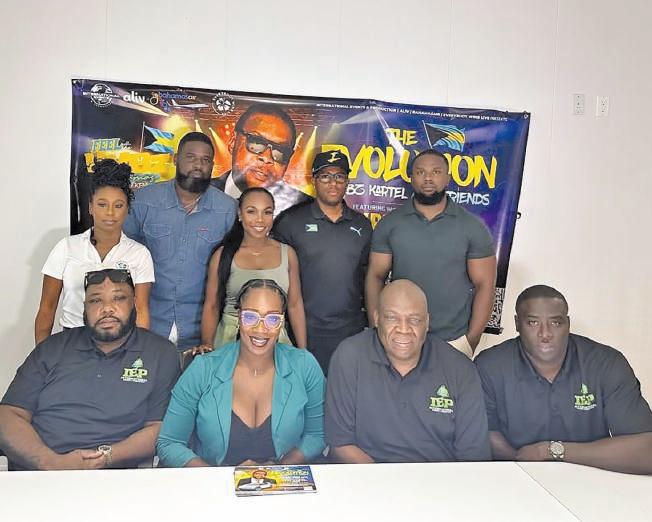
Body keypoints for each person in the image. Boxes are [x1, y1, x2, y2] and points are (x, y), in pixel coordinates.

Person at [0, 269, 180, 470]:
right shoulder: (52, 348)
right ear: (84, 308)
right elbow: (8, 414)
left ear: (134, 304)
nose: (107, 308)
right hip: (38, 470)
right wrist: (51, 462)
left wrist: (103, 458)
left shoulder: (159, 353)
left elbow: (159, 429)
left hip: (112, 475)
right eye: (95, 300)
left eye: (119, 298)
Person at [475, 284, 652, 475]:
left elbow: (646, 451)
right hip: (515, 478)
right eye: (533, 322)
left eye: (555, 323)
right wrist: (525, 465)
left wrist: (552, 451)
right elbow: (483, 433)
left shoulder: (605, 363)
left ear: (568, 323)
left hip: (593, 477)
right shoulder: (490, 365)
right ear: (517, 324)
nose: (545, 334)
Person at [156, 279, 325, 467]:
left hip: (283, 481)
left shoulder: (304, 366)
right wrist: (218, 477)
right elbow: (169, 443)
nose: (260, 329)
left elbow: (317, 435)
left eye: (272, 319)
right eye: (250, 317)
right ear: (238, 316)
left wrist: (278, 469)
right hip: (214, 482)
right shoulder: (203, 369)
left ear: (282, 322)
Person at [325, 279, 491, 464]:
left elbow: (473, 456)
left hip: (438, 478)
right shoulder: (349, 357)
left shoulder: (460, 369)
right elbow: (340, 443)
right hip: (369, 475)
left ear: (427, 323)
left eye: (414, 320)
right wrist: (384, 479)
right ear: (377, 318)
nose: (403, 329)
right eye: (392, 318)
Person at [366, 149, 496, 358]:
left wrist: (471, 339)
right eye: (420, 172)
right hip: (401, 337)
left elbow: (485, 284)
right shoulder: (390, 224)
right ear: (411, 177)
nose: (428, 178)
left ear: (448, 178)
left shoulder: (472, 227)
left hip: (453, 339)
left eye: (436, 172)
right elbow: (375, 276)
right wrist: (377, 328)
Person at [123, 132, 237, 352]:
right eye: (191, 157)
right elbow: (125, 259)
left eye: (205, 160)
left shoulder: (227, 209)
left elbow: (231, 270)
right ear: (176, 159)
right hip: (149, 323)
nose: (198, 165)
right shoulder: (144, 202)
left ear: (212, 166)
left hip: (202, 330)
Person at [35, 159, 154, 344]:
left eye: (118, 205)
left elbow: (141, 311)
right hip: (72, 341)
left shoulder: (139, 254)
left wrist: (138, 353)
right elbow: (47, 308)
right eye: (102, 204)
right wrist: (41, 355)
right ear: (90, 207)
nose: (110, 213)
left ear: (127, 209)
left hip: (120, 345)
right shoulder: (66, 248)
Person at [273, 150, 372, 373]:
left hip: (351, 331)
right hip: (303, 331)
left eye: (339, 176)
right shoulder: (291, 222)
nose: (333, 183)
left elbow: (371, 279)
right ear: (314, 180)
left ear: (347, 181)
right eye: (325, 176)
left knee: (345, 390)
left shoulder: (362, 225)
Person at [197, 187, 307, 353]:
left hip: (275, 341)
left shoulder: (288, 254)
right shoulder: (223, 255)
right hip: (229, 341)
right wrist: (207, 344)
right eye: (251, 211)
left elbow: (295, 305)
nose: (260, 219)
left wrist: (303, 351)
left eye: (267, 212)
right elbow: (212, 305)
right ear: (240, 214)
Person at [211, 103, 310, 214]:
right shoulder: (201, 193)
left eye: (280, 151)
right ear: (233, 142)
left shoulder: (304, 208)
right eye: (256, 142)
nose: (266, 158)